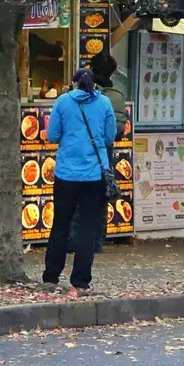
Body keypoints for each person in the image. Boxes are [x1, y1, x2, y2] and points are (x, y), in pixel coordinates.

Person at [43, 69, 117, 293]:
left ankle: (51, 276)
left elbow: (52, 135)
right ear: (94, 83)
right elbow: (109, 137)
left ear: (73, 84)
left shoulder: (63, 102)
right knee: (88, 227)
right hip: (95, 174)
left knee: (60, 224)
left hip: (65, 174)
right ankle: (81, 280)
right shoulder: (105, 103)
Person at [85, 51, 128, 253]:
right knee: (101, 194)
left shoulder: (87, 95)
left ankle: (79, 240)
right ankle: (98, 240)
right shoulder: (117, 97)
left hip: (84, 151)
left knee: (80, 196)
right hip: (105, 152)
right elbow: (118, 130)